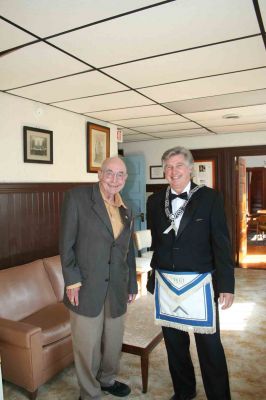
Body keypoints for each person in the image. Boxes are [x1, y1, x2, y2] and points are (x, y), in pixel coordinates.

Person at [147, 146, 235, 400]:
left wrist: (226, 285)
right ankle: (184, 391)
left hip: (200, 285)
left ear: (190, 169)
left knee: (209, 347)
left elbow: (221, 243)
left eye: (178, 166)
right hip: (167, 284)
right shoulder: (154, 200)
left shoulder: (210, 198)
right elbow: (158, 242)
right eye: (168, 167)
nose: (173, 172)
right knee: (175, 345)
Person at [60, 156, 138, 400]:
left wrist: (132, 283)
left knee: (113, 340)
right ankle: (89, 392)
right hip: (85, 285)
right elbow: (66, 243)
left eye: (120, 174)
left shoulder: (127, 208)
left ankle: (106, 380)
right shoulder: (78, 198)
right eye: (109, 173)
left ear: (126, 179)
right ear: (99, 174)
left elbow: (128, 249)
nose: (114, 179)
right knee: (87, 345)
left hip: (116, 285)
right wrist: (71, 279)